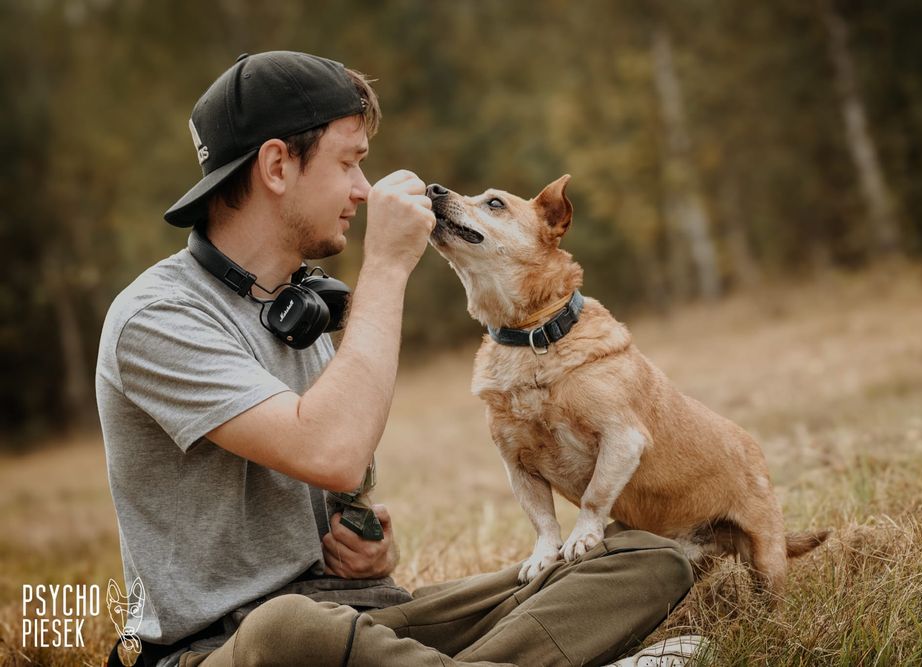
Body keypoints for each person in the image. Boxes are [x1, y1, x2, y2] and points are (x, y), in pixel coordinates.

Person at [96, 50, 700, 667]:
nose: (362, 190)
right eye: (349, 163)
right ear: (277, 165)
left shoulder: (300, 306)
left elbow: (342, 490)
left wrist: (372, 553)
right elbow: (330, 452)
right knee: (290, 630)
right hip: (227, 647)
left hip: (363, 621)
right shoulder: (157, 318)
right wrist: (385, 266)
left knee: (644, 558)